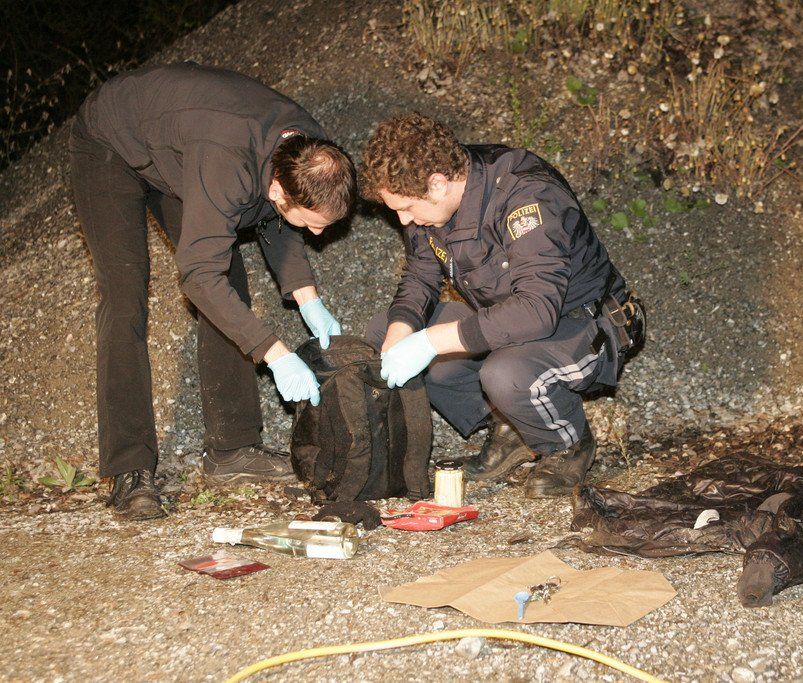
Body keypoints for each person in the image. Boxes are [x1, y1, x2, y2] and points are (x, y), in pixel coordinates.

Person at [69, 62, 355, 520]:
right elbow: (198, 275)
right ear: (277, 188)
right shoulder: (229, 161)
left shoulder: (311, 151)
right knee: (125, 297)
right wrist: (274, 352)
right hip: (112, 141)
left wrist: (307, 296)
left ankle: (232, 449)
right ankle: (129, 467)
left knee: (230, 282)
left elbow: (277, 219)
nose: (319, 235)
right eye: (314, 224)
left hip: (182, 147)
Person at [359, 112, 643, 499]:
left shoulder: (526, 195)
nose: (402, 219)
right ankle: (511, 426)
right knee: (384, 330)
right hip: (509, 315)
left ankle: (568, 445)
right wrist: (401, 335)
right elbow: (420, 276)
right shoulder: (432, 203)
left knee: (505, 373)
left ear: (438, 183)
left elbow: (536, 310)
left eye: (407, 207)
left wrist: (431, 342)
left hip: (582, 321)